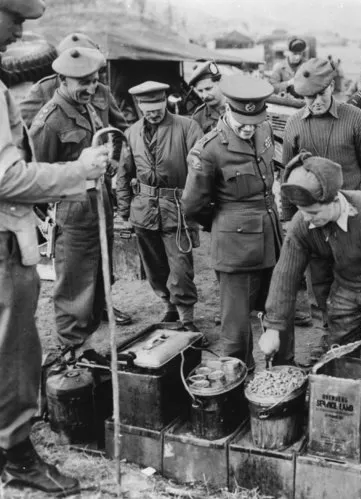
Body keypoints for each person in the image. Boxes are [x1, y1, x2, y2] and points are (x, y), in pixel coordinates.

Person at [0, 1, 110, 493]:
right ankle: (17, 456)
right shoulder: (37, 112)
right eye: (13, 20)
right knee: (16, 350)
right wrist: (79, 172)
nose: (18, 32)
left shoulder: (96, 100)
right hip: (12, 235)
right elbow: (11, 175)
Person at [258, 154, 361, 381]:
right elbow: (285, 274)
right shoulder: (303, 224)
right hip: (345, 289)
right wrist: (274, 327)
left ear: (335, 201)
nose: (306, 218)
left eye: (314, 212)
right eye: (301, 210)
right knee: (340, 353)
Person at [181, 75, 292, 369]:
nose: (248, 129)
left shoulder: (264, 129)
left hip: (272, 239)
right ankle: (237, 378)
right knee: (236, 326)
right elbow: (192, 206)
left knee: (279, 310)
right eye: (242, 122)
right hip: (235, 249)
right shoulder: (209, 150)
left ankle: (282, 372)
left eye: (254, 122)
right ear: (227, 110)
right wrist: (224, 222)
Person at [29, 47, 131, 347]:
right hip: (72, 210)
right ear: (62, 80)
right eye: (82, 82)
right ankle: (71, 362)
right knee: (75, 288)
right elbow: (36, 175)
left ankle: (89, 354)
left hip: (99, 203)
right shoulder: (50, 121)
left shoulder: (87, 106)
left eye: (95, 80)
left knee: (98, 280)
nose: (91, 88)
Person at [281, 57, 361, 339]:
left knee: (356, 276)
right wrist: (289, 217)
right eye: (308, 97)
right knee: (319, 281)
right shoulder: (294, 125)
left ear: (332, 86)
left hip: (351, 216)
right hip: (312, 218)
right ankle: (329, 334)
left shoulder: (355, 118)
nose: (315, 102)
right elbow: (286, 176)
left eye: (320, 94)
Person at [117, 81, 203, 330]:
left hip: (177, 209)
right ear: (140, 106)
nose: (153, 113)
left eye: (157, 106)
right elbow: (123, 173)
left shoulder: (187, 127)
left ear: (165, 101)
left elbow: (201, 170)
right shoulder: (131, 133)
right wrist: (124, 210)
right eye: (148, 109)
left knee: (181, 268)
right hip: (143, 211)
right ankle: (169, 307)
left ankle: (186, 318)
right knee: (154, 267)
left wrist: (195, 207)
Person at [20, 32, 128, 130]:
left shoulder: (101, 90)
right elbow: (19, 128)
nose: (91, 90)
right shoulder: (43, 89)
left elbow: (122, 127)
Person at [188, 61, 225, 134]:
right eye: (200, 91)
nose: (204, 96)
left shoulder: (238, 107)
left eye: (208, 89)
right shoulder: (198, 117)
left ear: (221, 83)